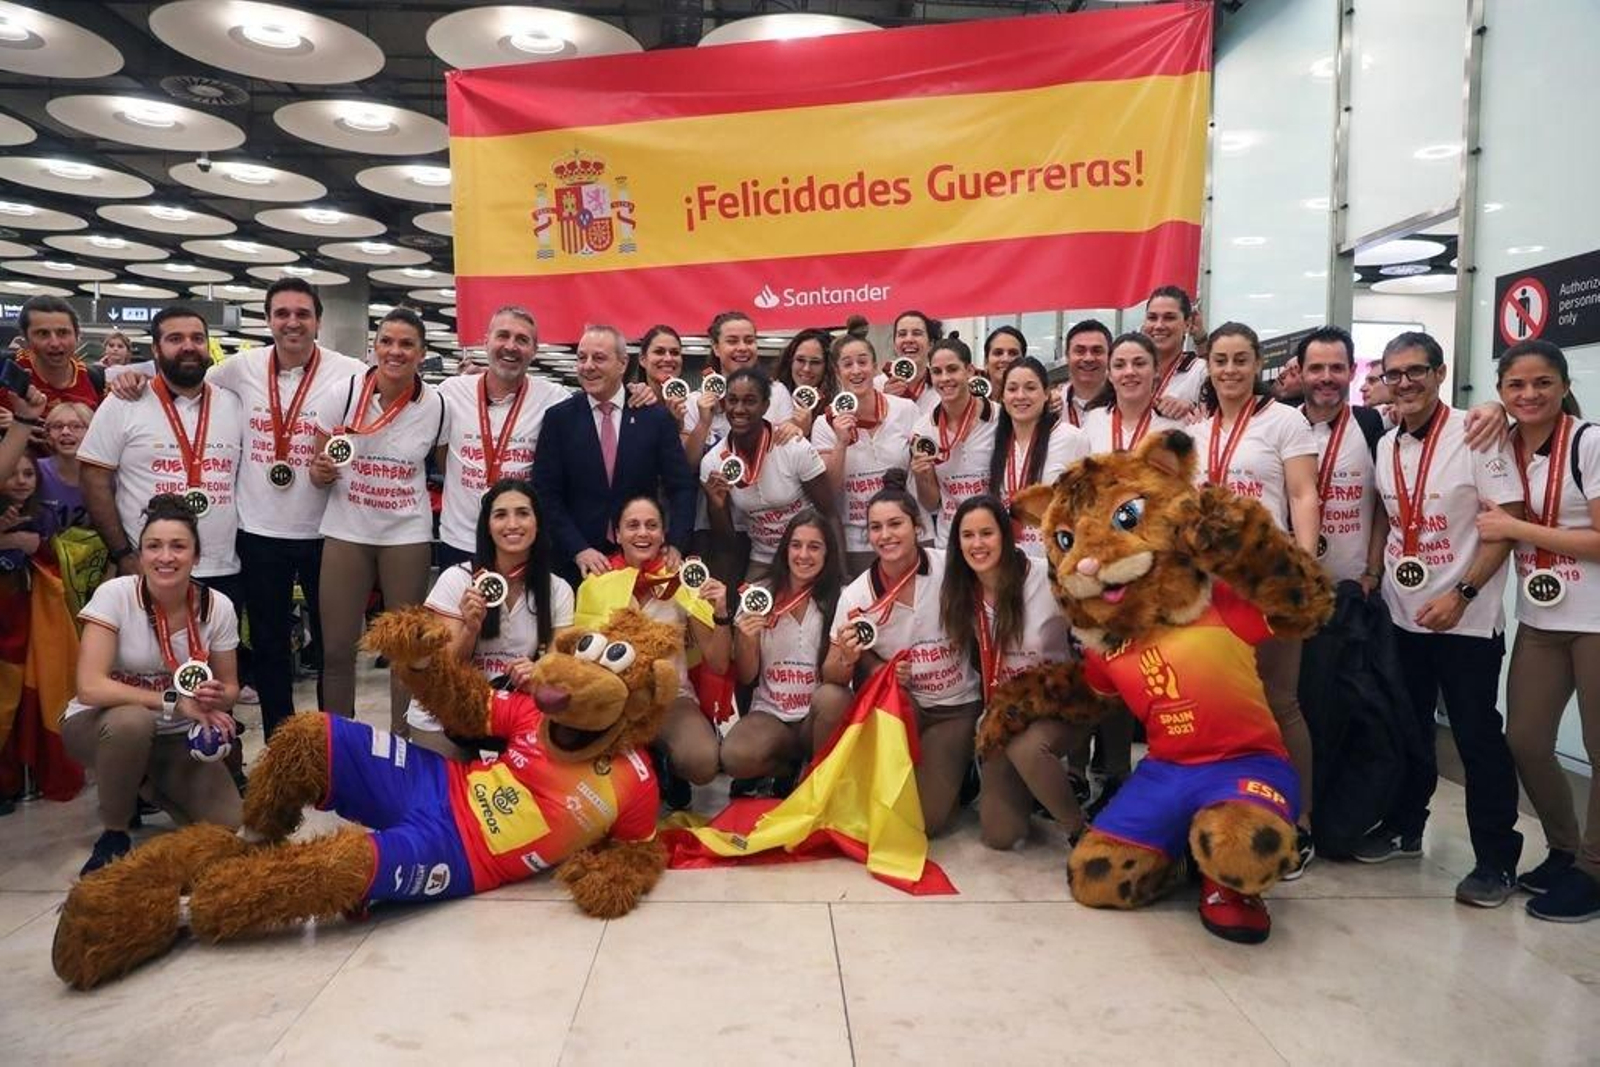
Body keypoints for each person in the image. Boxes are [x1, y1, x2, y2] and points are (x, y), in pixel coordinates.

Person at [1357, 330, 1527, 909]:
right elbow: (1389, 514)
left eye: (1416, 371)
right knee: (1410, 727)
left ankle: (1496, 860)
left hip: (1467, 621)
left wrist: (1463, 593)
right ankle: (1407, 826)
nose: (1404, 383)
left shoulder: (1477, 434)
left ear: (1440, 372)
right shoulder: (1385, 442)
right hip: (1405, 615)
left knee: (1479, 739)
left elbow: (1506, 522)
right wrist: (1377, 576)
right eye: (1394, 373)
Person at [1477, 340, 1600, 922]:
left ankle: (1595, 871)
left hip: (1596, 621)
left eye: (1542, 383)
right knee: (1525, 739)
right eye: (1515, 386)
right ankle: (1565, 848)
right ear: (1501, 392)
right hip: (1542, 619)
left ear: (1562, 384)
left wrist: (1515, 525)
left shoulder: (1589, 442)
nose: (1529, 395)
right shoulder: (1499, 443)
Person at [61, 494, 242, 874]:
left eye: (178, 546)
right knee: (132, 722)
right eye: (154, 546)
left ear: (196, 556)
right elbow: (90, 687)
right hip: (100, 724)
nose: (165, 557)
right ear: (141, 555)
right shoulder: (116, 595)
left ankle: (141, 777)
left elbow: (231, 689)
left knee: (227, 823)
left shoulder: (218, 606)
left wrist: (215, 698)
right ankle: (114, 831)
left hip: (175, 735)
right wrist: (174, 700)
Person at [1196, 321, 1320, 873]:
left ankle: (1299, 822)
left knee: (1280, 701)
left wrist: (1302, 569)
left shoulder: (1285, 421)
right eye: (1220, 360)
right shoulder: (1198, 433)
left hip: (1267, 581)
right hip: (1209, 589)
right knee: (1222, 703)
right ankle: (1234, 813)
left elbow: (1302, 493)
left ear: (1257, 366)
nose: (1229, 370)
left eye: (1240, 360)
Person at [310, 307, 447, 735]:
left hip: (406, 532)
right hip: (346, 530)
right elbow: (316, 469)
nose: (395, 351)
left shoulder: (436, 404)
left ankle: (401, 750)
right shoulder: (343, 393)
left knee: (404, 649)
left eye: (407, 344)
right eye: (387, 341)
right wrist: (320, 472)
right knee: (335, 650)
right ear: (374, 346)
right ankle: (339, 750)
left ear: (421, 353)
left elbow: (448, 468)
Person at [826, 473, 978, 835]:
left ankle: (967, 768)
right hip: (903, 708)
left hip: (955, 706)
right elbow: (831, 672)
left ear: (917, 525)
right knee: (876, 810)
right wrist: (855, 658)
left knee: (924, 823)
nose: (886, 535)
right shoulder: (856, 595)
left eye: (895, 524)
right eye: (876, 527)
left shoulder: (951, 567)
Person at [79, 305, 244, 609]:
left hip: (224, 569)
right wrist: (123, 555)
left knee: (216, 656)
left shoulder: (233, 403)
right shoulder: (123, 403)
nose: (188, 347)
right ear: (155, 349)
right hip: (150, 566)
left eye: (197, 338)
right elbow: (93, 479)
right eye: (175, 339)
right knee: (145, 657)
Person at [940, 496, 1080, 849]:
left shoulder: (1046, 578)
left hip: (1057, 705)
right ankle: (1033, 785)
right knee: (999, 836)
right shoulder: (959, 591)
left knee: (1028, 749)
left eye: (986, 533)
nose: (977, 544)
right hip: (1005, 716)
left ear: (1005, 534)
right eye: (968, 535)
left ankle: (1081, 830)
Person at [406, 478, 575, 760]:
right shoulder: (456, 579)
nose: (512, 524)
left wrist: (538, 671)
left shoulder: (557, 589)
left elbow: (560, 666)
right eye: (500, 515)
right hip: (444, 714)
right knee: (450, 798)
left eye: (523, 513)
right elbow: (438, 670)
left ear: (538, 522)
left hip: (513, 712)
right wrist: (470, 630)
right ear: (487, 525)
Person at [533, 323, 696, 585]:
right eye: (581, 358)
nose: (587, 366)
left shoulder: (655, 418)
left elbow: (682, 488)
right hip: (577, 564)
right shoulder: (558, 419)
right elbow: (546, 493)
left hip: (643, 560)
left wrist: (676, 543)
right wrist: (577, 549)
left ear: (622, 363)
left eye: (598, 358)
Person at [596, 494, 730, 794]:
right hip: (618, 701)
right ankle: (652, 767)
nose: (643, 533)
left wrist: (721, 612)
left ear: (662, 534)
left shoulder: (681, 581)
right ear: (616, 534)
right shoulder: (597, 583)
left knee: (703, 761)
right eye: (632, 525)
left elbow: (718, 662)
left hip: (673, 699)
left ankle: (666, 761)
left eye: (651, 525)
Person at [721, 509, 852, 784]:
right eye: (796, 545)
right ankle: (785, 769)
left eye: (814, 547)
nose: (803, 555)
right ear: (784, 549)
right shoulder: (759, 594)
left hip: (817, 718)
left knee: (833, 698)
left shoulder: (843, 598)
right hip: (771, 714)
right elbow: (746, 676)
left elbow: (839, 679)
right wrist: (745, 639)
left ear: (828, 554)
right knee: (735, 757)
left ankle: (817, 778)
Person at [438, 306, 568, 569]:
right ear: (486, 341)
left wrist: (641, 392)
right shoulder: (450, 392)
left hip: (521, 543)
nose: (511, 346)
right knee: (459, 610)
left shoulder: (554, 398)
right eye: (503, 336)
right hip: (461, 540)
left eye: (522, 340)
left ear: (534, 349)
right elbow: (439, 451)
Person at [701, 369, 835, 583]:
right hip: (763, 558)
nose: (739, 409)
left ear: (765, 405)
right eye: (732, 400)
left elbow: (830, 513)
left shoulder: (793, 446)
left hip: (808, 554)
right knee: (748, 615)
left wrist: (838, 575)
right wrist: (716, 506)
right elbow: (726, 541)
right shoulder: (713, 462)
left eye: (750, 401)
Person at [811, 333, 921, 575]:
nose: (856, 370)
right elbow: (828, 492)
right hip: (857, 541)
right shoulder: (824, 423)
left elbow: (921, 472)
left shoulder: (906, 410)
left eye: (862, 361)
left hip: (908, 534)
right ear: (837, 372)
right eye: (847, 364)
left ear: (874, 366)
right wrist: (840, 443)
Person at [1296, 327, 1385, 588]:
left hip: (1354, 590)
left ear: (1352, 371)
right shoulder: (1281, 426)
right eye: (1315, 368)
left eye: (1336, 368)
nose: (1326, 377)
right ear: (1300, 371)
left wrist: (1373, 572)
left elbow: (1384, 506)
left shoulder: (1372, 424)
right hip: (1293, 587)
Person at [989, 357, 1089, 559]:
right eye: (1012, 389)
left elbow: (1087, 505)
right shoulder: (994, 440)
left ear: (1046, 394)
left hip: (1055, 560)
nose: (1020, 396)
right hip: (1008, 560)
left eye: (1030, 388)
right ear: (1003, 397)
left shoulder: (1071, 438)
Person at [910, 337, 995, 548]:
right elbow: (931, 504)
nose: (944, 378)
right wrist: (921, 477)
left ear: (969, 371)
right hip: (950, 541)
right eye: (937, 372)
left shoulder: (1000, 418)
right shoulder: (922, 430)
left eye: (952, 369)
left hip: (994, 535)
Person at [2, 296, 104, 421]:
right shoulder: (6, 369)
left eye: (63, 333)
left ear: (77, 336)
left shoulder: (94, 380)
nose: (55, 343)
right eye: (43, 334)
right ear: (26, 339)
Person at [1080, 332, 1184, 454]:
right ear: (1109, 375)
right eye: (1119, 365)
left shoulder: (1176, 424)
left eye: (1139, 364)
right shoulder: (1093, 420)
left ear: (1156, 370)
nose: (1129, 372)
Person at [1143, 285, 1209, 419]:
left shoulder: (1200, 372)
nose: (1159, 326)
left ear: (1187, 324)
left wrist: (1192, 409)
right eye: (1152, 317)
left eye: (1169, 318)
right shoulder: (1130, 371)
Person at [773, 327, 837, 436]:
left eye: (815, 362)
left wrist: (805, 434)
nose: (806, 369)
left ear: (828, 366)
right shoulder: (771, 396)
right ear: (790, 361)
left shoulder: (835, 408)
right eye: (800, 360)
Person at [879, 310, 941, 416]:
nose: (909, 339)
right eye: (902, 334)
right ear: (894, 344)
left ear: (931, 343)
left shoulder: (941, 386)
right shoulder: (877, 386)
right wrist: (885, 403)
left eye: (917, 333)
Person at [628, 324, 688, 428]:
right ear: (642, 359)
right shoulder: (633, 401)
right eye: (659, 352)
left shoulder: (695, 405)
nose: (668, 358)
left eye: (675, 353)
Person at [1057, 319, 1112, 428]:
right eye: (1080, 351)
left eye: (1097, 351)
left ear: (1110, 356)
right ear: (1067, 356)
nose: (1088, 358)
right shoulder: (1053, 406)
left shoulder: (1124, 403)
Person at [981, 326, 1025, 395]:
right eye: (998, 353)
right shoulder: (972, 402)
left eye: (1013, 353)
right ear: (986, 362)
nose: (1005, 359)